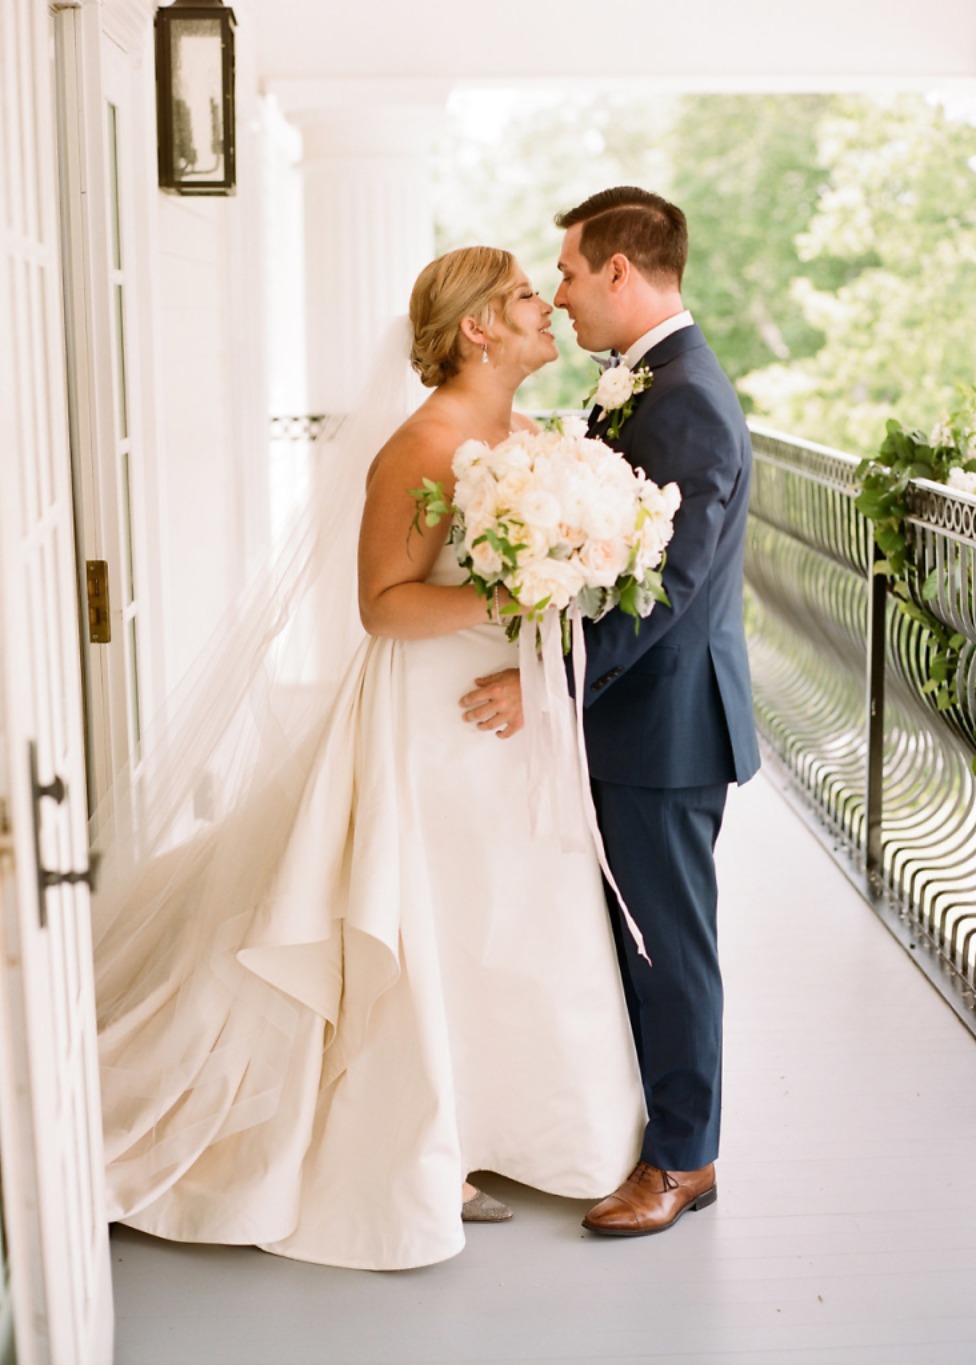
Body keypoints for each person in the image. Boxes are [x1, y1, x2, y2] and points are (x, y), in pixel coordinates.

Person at [94, 246, 645, 1272]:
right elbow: (381, 606)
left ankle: (497, 1118)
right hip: (428, 714)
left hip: (509, 707)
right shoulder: (422, 444)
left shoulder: (525, 435)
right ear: (476, 328)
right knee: (425, 911)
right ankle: (418, 1132)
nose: (543, 310)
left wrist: (570, 573)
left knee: (507, 904)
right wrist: (514, 595)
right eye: (525, 297)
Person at [466, 189, 760, 1237]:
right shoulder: (645, 384)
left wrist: (544, 683)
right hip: (633, 719)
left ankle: (684, 1160)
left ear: (623, 273)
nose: (561, 294)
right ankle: (656, 1133)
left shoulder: (681, 398)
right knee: (636, 941)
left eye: (572, 273)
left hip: (665, 725)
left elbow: (664, 591)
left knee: (668, 948)